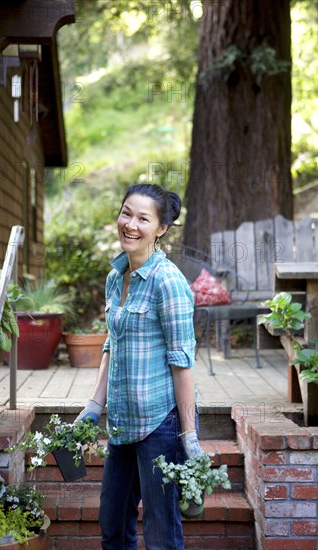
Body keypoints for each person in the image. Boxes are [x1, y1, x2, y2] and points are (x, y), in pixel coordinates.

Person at [76, 183, 201, 550]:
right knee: (113, 527)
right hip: (122, 423)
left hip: (159, 425)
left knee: (161, 536)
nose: (130, 224)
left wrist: (189, 435)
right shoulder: (116, 277)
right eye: (126, 213)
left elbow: (183, 364)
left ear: (161, 229)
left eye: (143, 218)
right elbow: (112, 343)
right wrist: (94, 405)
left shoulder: (168, 282)